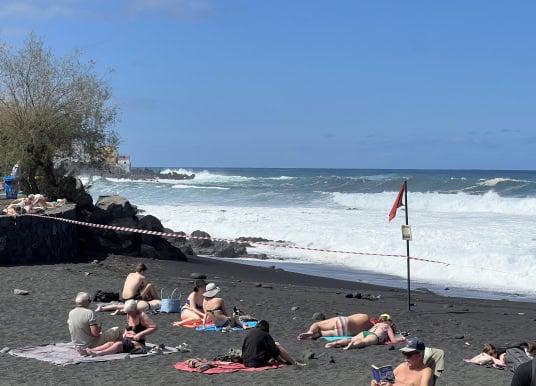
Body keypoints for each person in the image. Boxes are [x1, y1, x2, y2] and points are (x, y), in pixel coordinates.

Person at [82, 300, 157, 356]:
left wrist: (140, 334)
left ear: (135, 309)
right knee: (110, 343)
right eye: (127, 312)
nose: (128, 314)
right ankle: (89, 350)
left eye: (130, 312)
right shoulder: (129, 315)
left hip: (137, 343)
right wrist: (124, 333)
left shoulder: (142, 315)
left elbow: (153, 327)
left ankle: (98, 353)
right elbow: (128, 328)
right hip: (127, 340)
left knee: (118, 345)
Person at [325, 313, 403, 349]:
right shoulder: (387, 326)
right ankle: (353, 345)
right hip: (374, 336)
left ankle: (335, 343)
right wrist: (400, 339)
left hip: (366, 332)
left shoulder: (376, 324)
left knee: (351, 339)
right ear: (388, 320)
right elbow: (393, 340)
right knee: (365, 342)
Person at [297, 313, 373, 340]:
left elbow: (350, 317)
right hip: (346, 333)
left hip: (344, 321)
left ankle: (310, 332)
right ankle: (314, 335)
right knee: (320, 334)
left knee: (318, 324)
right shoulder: (371, 328)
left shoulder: (364, 316)